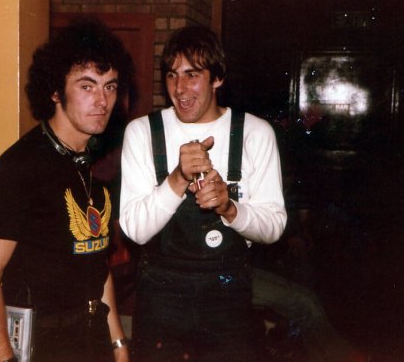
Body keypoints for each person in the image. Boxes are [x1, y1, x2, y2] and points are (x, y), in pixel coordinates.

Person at [0, 17, 134, 362]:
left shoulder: (96, 162)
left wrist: (118, 344)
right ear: (56, 91)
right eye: (87, 86)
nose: (102, 100)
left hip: (93, 337)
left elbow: (96, 262)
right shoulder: (21, 166)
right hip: (44, 342)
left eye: (109, 86)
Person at [119, 25, 287, 361]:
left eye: (192, 75)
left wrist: (229, 208)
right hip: (160, 294)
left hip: (228, 291)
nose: (179, 88)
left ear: (217, 78)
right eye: (172, 75)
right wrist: (178, 178)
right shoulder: (142, 132)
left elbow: (273, 227)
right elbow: (135, 231)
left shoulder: (255, 133)